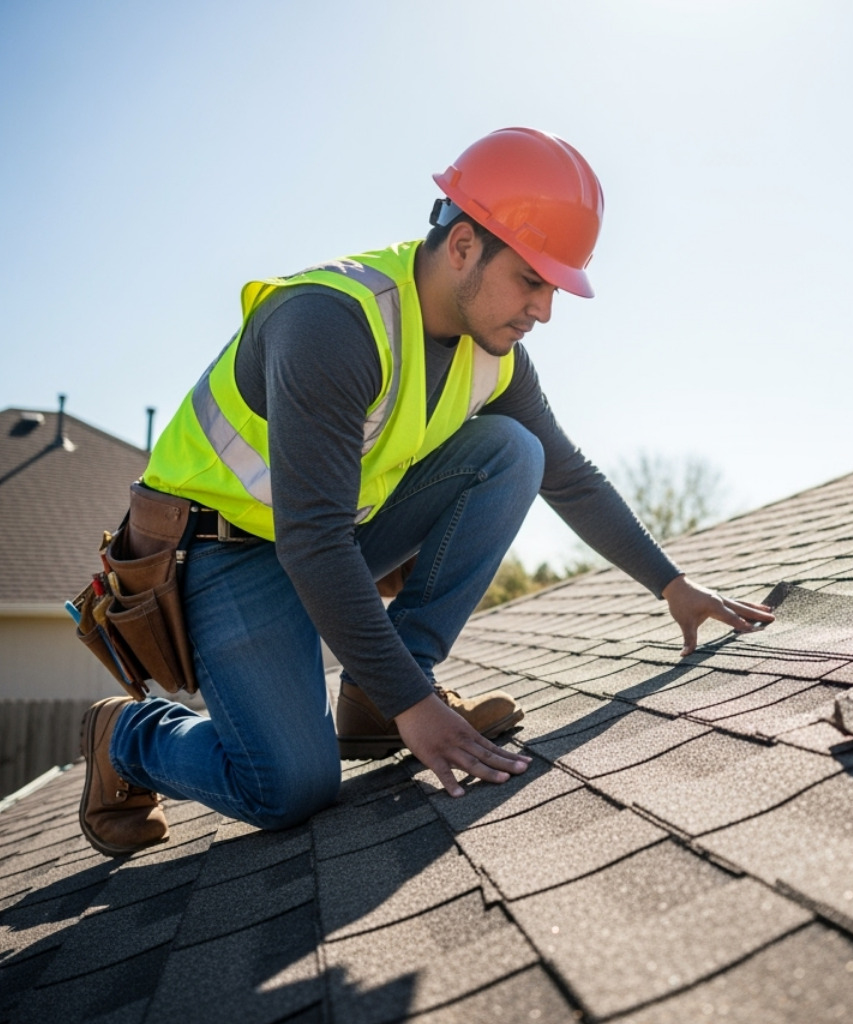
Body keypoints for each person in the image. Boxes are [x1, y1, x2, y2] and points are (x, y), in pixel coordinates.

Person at [77, 127, 774, 856]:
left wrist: (672, 584)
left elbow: (567, 476)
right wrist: (421, 709)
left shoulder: (496, 352)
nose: (544, 310)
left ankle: (380, 695)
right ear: (465, 246)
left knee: (515, 451)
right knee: (288, 789)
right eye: (532, 280)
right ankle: (127, 736)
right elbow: (312, 539)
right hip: (221, 553)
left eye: (555, 288)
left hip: (328, 538)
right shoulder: (330, 323)